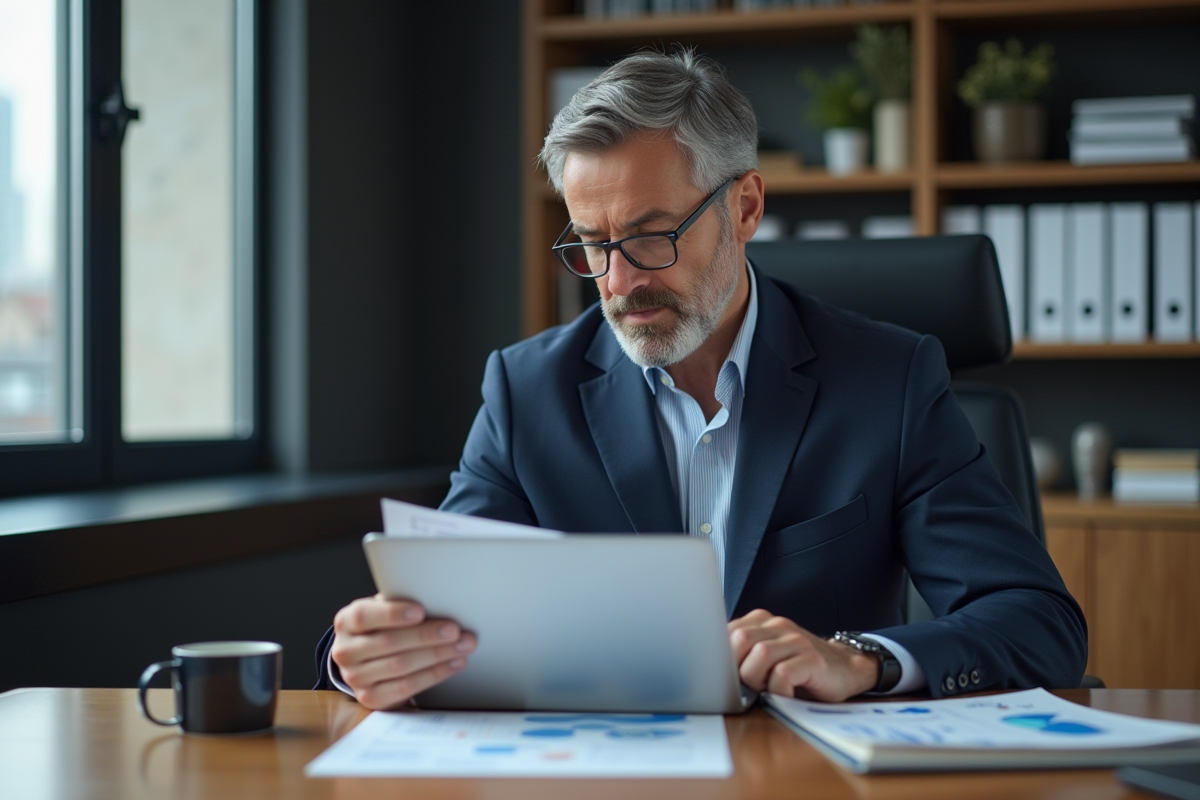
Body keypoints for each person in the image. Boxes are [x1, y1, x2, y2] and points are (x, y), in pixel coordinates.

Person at [315, 49, 1087, 711]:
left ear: (745, 207)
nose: (617, 282)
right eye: (591, 243)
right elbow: (439, 613)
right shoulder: (527, 393)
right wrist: (368, 660)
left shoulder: (890, 380)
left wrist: (862, 659)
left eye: (652, 236)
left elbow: (1038, 623)